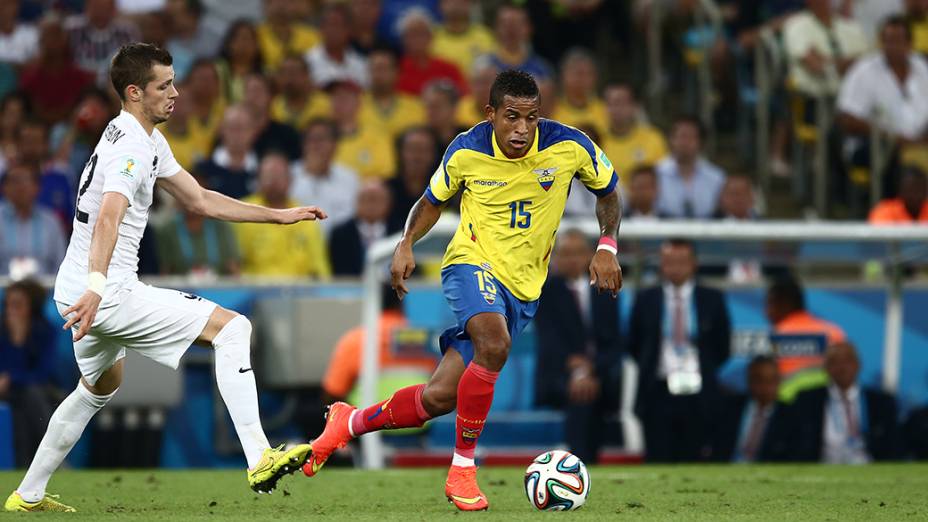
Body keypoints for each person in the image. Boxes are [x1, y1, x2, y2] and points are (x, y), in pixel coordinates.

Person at [3, 43, 323, 513]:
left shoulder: (139, 135)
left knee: (96, 389)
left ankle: (26, 495)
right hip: (104, 291)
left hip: (77, 289)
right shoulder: (131, 147)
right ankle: (259, 457)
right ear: (134, 92)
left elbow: (200, 200)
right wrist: (98, 288)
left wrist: (278, 216)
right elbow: (110, 216)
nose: (175, 93)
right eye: (164, 85)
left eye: (173, 81)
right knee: (233, 328)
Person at [303, 70, 622, 512]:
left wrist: (607, 245)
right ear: (490, 113)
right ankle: (463, 468)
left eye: (531, 118)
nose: (522, 129)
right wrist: (405, 244)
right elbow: (431, 201)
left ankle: (349, 422)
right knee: (494, 343)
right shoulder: (467, 149)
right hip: (470, 264)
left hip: (524, 289)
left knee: (438, 398)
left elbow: (608, 192)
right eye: (511, 117)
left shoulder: (570, 145)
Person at [627, 239, 731, 463]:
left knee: (695, 457)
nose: (675, 267)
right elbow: (635, 344)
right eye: (669, 262)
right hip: (657, 389)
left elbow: (722, 347)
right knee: (657, 457)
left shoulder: (711, 298)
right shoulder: (646, 298)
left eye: (681, 261)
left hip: (698, 390)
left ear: (694, 264)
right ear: (661, 265)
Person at [534, 229, 622, 465]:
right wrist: (578, 371)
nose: (572, 259)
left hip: (600, 372)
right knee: (581, 395)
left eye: (578, 253)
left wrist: (591, 369)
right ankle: (581, 463)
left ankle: (585, 461)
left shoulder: (605, 289)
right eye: (565, 253)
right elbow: (550, 341)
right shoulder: (544, 291)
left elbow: (613, 341)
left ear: (589, 256)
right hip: (560, 374)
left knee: (594, 390)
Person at [792, 342, 903, 463]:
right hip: (823, 468)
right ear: (826, 368)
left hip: (868, 468)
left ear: (858, 365)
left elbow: (893, 445)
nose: (842, 367)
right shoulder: (807, 401)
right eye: (835, 362)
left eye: (847, 361)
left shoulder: (881, 402)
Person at [235, 152, 331, 278]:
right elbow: (235, 266)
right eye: (269, 176)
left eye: (278, 176)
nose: (273, 182)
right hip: (256, 293)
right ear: (258, 180)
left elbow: (319, 268)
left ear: (290, 180)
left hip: (300, 293)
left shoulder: (307, 216)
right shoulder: (244, 211)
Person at [0, 279, 57, 468]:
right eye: (8, 305)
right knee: (23, 401)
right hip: (10, 393)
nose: (11, 311)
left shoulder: (44, 331)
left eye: (17, 305)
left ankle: (35, 463)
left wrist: (17, 342)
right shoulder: (2, 330)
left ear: (31, 307)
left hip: (32, 393)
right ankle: (52, 458)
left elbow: (42, 374)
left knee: (26, 401)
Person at [712, 355, 791, 462]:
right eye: (758, 379)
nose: (765, 386)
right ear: (749, 380)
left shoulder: (791, 416)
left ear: (779, 381)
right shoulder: (728, 409)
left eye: (771, 380)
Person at [290, 118, 360, 236]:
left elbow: (355, 220)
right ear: (303, 145)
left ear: (335, 145)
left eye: (322, 139)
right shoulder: (289, 175)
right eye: (311, 139)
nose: (316, 145)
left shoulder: (350, 178)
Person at [0, 164, 67, 278]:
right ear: (4, 188)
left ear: (37, 187)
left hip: (44, 290)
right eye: (15, 181)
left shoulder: (51, 222)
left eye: (26, 180)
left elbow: (62, 263)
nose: (21, 187)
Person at [655, 116, 727, 219]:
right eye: (681, 136)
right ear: (671, 140)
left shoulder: (717, 177)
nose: (685, 143)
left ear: (701, 142)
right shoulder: (656, 173)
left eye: (691, 137)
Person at [328, 180, 394, 277]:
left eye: (375, 199)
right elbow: (336, 272)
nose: (371, 205)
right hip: (350, 290)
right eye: (366, 199)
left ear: (388, 203)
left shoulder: (402, 233)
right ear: (356, 202)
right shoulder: (340, 234)